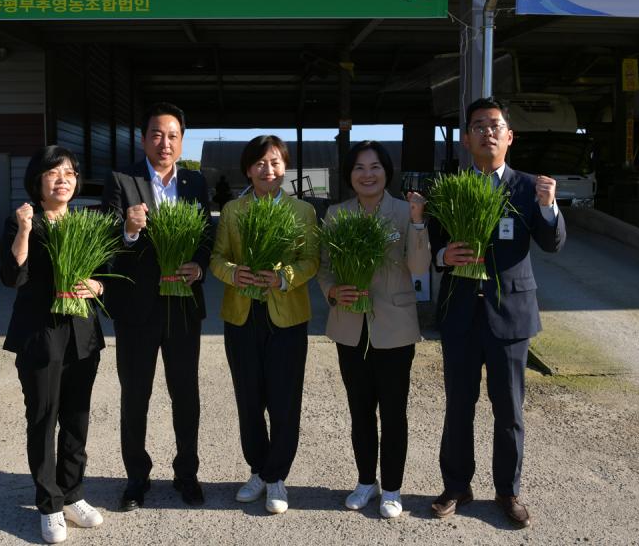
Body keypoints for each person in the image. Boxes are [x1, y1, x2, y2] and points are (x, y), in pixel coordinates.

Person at [427, 97, 566, 528]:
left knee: (509, 410)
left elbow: (553, 243)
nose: (487, 131)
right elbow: (431, 244)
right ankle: (457, 485)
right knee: (458, 405)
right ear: (467, 138)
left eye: (495, 125)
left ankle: (508, 491)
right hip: (461, 314)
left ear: (509, 137)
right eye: (478, 126)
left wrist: (548, 206)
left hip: (511, 314)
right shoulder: (449, 187)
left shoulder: (529, 187)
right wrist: (442, 255)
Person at [101, 102, 212, 512]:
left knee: (186, 395)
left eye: (173, 135)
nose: (164, 143)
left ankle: (187, 475)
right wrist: (129, 230)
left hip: (183, 306)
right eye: (157, 135)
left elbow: (206, 237)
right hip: (137, 309)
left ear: (182, 141)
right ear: (144, 138)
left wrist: (199, 267)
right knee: (136, 395)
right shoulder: (121, 181)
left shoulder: (195, 183)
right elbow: (108, 241)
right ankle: (136, 479)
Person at [318, 141, 430, 519]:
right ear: (349, 175)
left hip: (395, 327)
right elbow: (325, 266)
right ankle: (366, 482)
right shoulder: (336, 214)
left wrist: (417, 222)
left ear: (387, 172)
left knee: (394, 412)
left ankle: (393, 489)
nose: (367, 174)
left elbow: (418, 267)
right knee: (360, 409)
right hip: (351, 326)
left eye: (375, 167)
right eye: (359, 168)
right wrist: (332, 289)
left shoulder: (404, 211)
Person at [0, 145, 106, 544]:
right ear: (38, 181)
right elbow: (13, 276)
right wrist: (25, 229)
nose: (63, 179)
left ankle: (73, 493)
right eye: (54, 173)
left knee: (77, 419)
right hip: (40, 335)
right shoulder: (23, 222)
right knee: (43, 419)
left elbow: (104, 276)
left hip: (82, 334)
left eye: (70, 173)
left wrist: (95, 285)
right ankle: (49, 504)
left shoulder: (84, 223)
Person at [209, 135, 319, 515]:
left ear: (284, 166)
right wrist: (233, 273)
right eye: (259, 163)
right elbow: (217, 258)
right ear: (247, 169)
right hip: (241, 315)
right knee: (249, 398)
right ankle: (257, 469)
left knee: (285, 398)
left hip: (286, 314)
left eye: (274, 162)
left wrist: (283, 276)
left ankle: (276, 477)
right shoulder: (234, 210)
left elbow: (311, 261)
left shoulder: (303, 212)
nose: (267, 170)